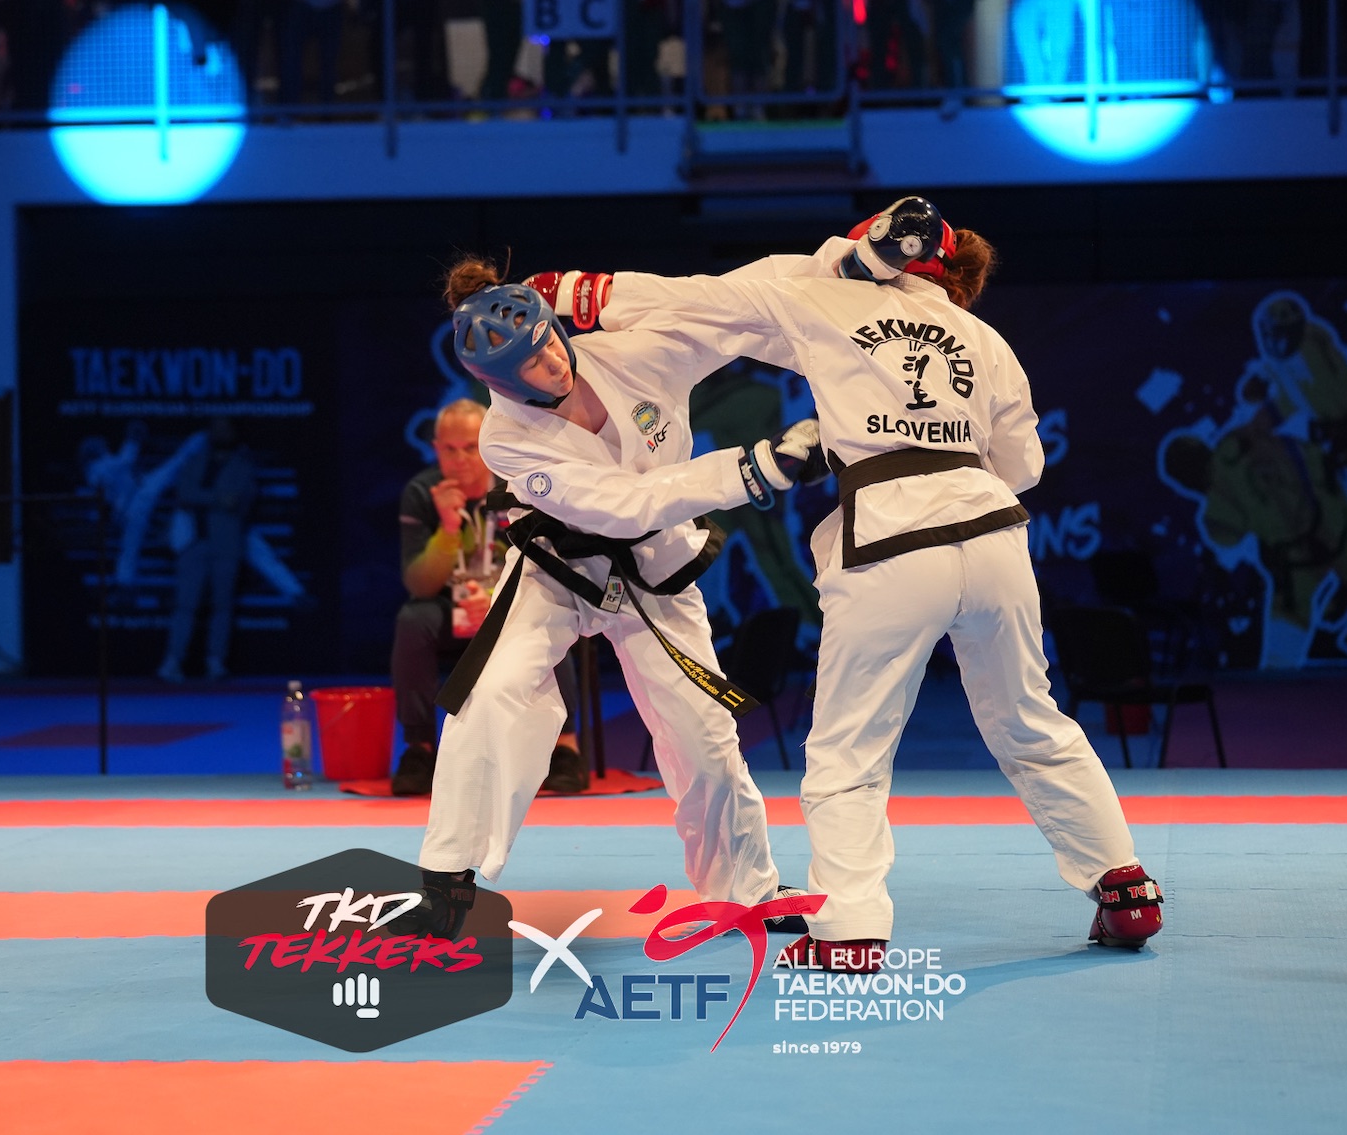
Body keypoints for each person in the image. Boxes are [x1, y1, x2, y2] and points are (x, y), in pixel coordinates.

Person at [529, 196, 1166, 966]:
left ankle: (850, 927)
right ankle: (1125, 886)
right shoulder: (985, 338)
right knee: (1031, 717)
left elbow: (700, 300)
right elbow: (1024, 464)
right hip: (991, 533)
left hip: (892, 535)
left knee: (848, 746)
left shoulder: (823, 296)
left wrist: (577, 292)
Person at [389, 260, 821, 940]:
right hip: (555, 569)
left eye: (550, 341)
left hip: (656, 567)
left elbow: (726, 304)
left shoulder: (632, 354)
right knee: (489, 695)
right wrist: (757, 468)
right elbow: (624, 504)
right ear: (499, 383)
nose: (553, 362)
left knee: (704, 734)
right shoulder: (505, 438)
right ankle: (446, 884)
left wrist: (843, 264)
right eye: (531, 364)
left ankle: (747, 890)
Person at [391, 400, 586, 796]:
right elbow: (420, 585)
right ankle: (419, 750)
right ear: (435, 448)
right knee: (413, 619)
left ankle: (566, 748)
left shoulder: (520, 487)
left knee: (553, 610)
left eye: (470, 447)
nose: (460, 459)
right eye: (449, 449)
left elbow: (550, 566)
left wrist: (497, 599)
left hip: (513, 606)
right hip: (450, 611)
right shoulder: (421, 492)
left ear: (486, 441)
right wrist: (448, 529)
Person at [158, 418, 255, 682]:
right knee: (184, 604)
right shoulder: (195, 461)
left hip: (226, 544)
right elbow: (184, 492)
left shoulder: (243, 465)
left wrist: (205, 497)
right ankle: (173, 661)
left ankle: (215, 661)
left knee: (222, 605)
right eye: (216, 429)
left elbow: (238, 500)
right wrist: (218, 498)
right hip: (193, 543)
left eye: (225, 429)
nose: (220, 433)